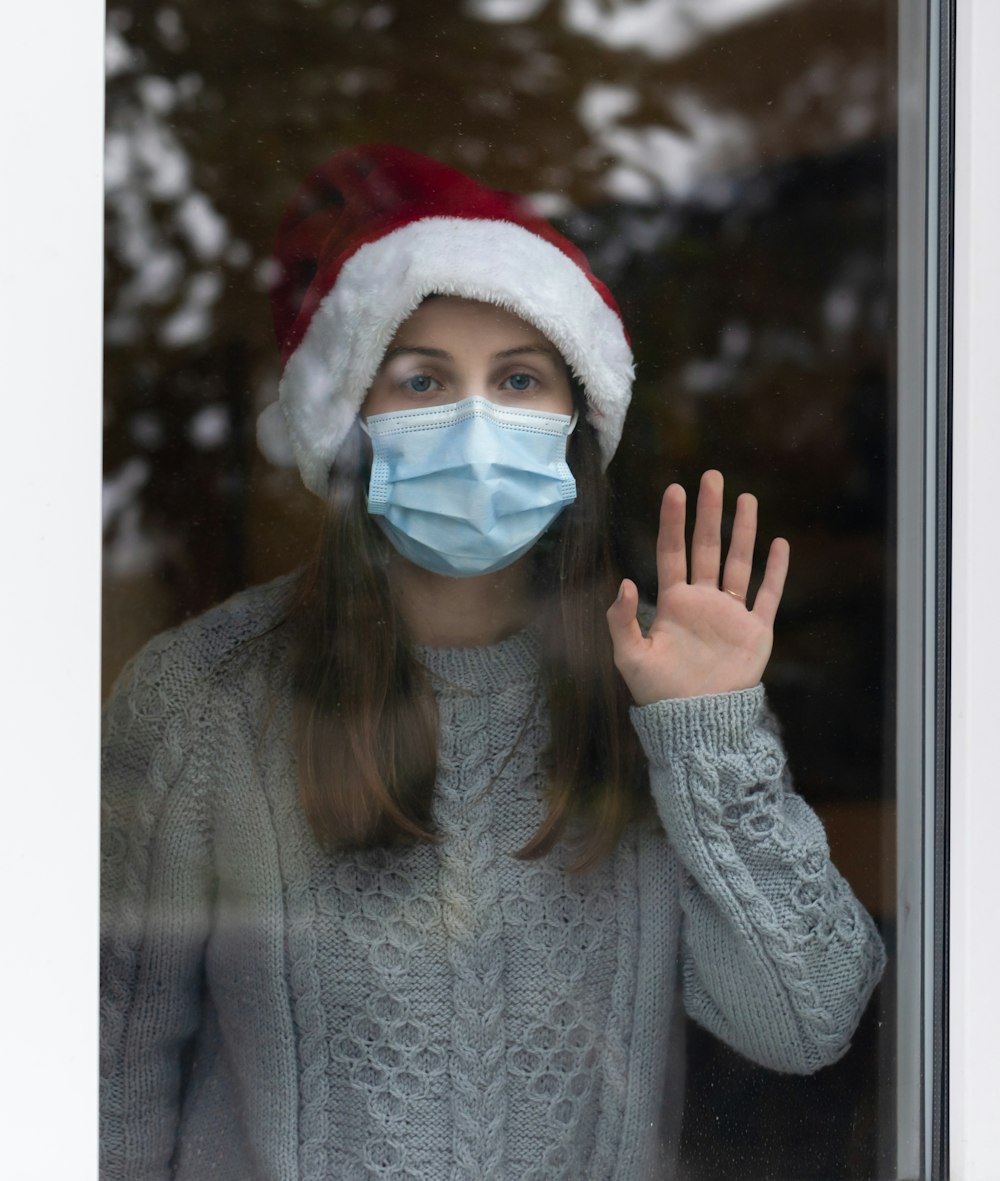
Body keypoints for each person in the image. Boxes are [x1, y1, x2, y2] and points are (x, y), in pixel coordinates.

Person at [100, 144, 886, 1181]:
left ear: (576, 427)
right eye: (423, 378)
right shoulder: (203, 694)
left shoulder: (655, 676)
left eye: (518, 378)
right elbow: (109, 1078)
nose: (475, 423)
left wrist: (709, 733)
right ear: (349, 421)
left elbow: (811, 1018)